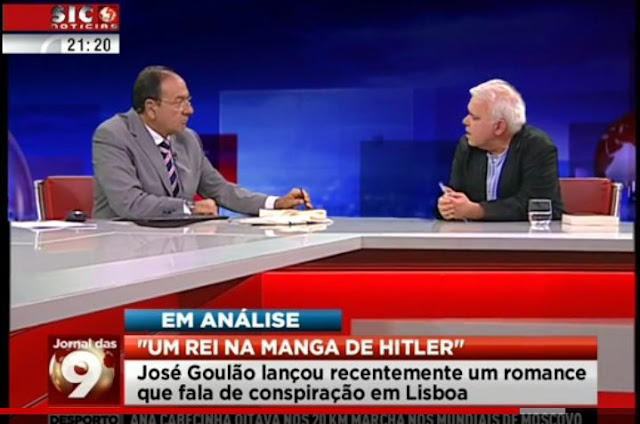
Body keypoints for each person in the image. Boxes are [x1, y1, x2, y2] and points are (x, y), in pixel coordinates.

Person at [93, 66, 312, 219]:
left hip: (178, 244)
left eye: (188, 101)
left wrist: (275, 204)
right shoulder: (113, 135)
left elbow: (220, 190)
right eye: (179, 102)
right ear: (151, 108)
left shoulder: (187, 138)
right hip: (123, 247)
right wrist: (190, 208)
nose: (189, 110)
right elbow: (129, 202)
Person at [437, 79, 563, 221]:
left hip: (527, 234)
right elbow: (455, 194)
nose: (465, 121)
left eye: (474, 117)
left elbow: (537, 205)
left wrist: (478, 211)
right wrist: (448, 206)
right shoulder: (467, 146)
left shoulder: (537, 147)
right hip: (476, 234)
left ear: (499, 127)